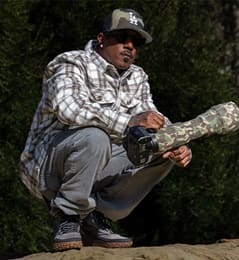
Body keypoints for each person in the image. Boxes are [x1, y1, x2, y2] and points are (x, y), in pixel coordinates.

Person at [20, 8, 192, 251]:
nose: (130, 46)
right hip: (47, 169)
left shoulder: (138, 77)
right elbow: (69, 109)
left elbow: (155, 118)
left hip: (95, 165)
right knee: (95, 136)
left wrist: (177, 143)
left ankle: (94, 217)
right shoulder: (71, 62)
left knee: (160, 149)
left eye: (137, 41)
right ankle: (68, 216)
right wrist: (130, 122)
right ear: (101, 39)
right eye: (123, 37)